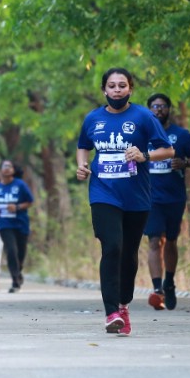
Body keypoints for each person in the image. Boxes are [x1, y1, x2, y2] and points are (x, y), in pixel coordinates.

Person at [75, 67, 174, 335]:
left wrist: (144, 155)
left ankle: (123, 304)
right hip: (103, 193)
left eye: (122, 86)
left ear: (130, 89)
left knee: (129, 254)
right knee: (112, 247)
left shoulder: (143, 116)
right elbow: (83, 145)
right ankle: (111, 313)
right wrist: (82, 166)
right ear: (104, 90)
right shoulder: (93, 119)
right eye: (112, 86)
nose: (117, 90)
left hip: (136, 196)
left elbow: (168, 149)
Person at [144, 94, 190, 310]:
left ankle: (169, 282)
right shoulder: (143, 135)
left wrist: (185, 162)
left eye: (162, 106)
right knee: (153, 241)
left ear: (169, 109)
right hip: (150, 198)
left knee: (170, 241)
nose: (158, 110)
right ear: (149, 110)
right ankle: (157, 288)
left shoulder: (181, 135)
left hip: (174, 197)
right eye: (154, 107)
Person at [0, 160, 34, 292]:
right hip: (4, 224)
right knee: (11, 251)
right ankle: (15, 281)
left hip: (20, 223)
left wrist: (16, 207)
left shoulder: (20, 185)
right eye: (4, 166)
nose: (6, 168)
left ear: (13, 170)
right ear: (0, 169)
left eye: (9, 166)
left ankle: (18, 271)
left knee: (21, 253)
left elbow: (30, 201)